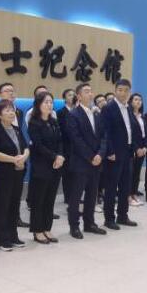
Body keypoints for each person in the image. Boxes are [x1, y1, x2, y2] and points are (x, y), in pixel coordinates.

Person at [0, 82, 28, 228]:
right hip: (1, 159)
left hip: (19, 159)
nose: (11, 93)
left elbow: (21, 137)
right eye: (7, 91)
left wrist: (21, 157)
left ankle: (15, 218)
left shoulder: (18, 111)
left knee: (15, 193)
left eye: (12, 91)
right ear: (0, 94)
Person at [64, 83, 106, 239]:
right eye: (86, 91)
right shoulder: (73, 114)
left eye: (91, 91)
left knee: (92, 194)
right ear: (79, 96)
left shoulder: (97, 114)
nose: (90, 94)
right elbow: (76, 139)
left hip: (97, 161)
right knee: (76, 196)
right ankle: (74, 226)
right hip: (81, 162)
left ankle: (89, 223)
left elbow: (104, 136)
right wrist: (91, 156)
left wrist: (100, 154)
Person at [0, 100, 30, 251]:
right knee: (1, 206)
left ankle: (13, 236)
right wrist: (14, 159)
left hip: (18, 173)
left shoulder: (16, 129)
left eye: (12, 110)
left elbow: (26, 148)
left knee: (14, 205)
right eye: (7, 110)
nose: (11, 113)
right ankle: (1, 239)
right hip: (2, 174)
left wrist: (23, 157)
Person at [99, 79, 139, 229]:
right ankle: (109, 219)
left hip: (127, 153)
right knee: (111, 187)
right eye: (120, 90)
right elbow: (105, 132)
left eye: (126, 90)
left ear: (129, 92)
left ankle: (123, 216)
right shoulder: (108, 108)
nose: (123, 93)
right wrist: (109, 151)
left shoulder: (128, 108)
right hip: (114, 154)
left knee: (125, 187)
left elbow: (131, 130)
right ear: (115, 91)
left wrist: (134, 148)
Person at [27, 91, 64, 244]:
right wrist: (55, 156)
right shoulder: (34, 123)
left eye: (51, 102)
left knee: (50, 199)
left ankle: (47, 228)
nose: (49, 105)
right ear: (38, 104)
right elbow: (38, 145)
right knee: (39, 199)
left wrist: (60, 156)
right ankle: (37, 230)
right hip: (41, 165)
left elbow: (60, 141)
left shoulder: (53, 121)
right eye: (46, 102)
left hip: (56, 165)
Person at [128, 93, 147, 207]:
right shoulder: (129, 115)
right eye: (136, 99)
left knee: (137, 173)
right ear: (131, 102)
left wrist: (145, 147)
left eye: (140, 100)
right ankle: (128, 196)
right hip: (133, 149)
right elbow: (130, 134)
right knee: (130, 173)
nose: (138, 101)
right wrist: (136, 148)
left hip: (142, 149)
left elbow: (146, 134)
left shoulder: (142, 116)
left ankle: (134, 193)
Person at [58, 88, 77, 205]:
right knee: (67, 173)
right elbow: (63, 130)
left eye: (74, 95)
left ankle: (75, 196)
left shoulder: (78, 111)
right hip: (66, 147)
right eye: (69, 95)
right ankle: (68, 197)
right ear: (64, 98)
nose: (72, 96)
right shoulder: (61, 112)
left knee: (76, 173)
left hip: (78, 148)